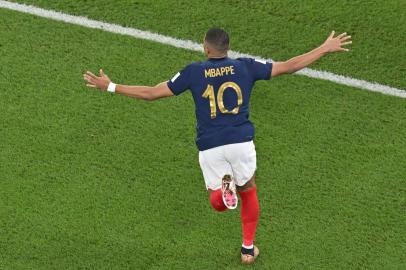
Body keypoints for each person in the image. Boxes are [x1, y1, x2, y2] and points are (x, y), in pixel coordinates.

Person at [83, 28, 351, 265]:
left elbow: (152, 93)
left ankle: (221, 195)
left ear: (205, 48)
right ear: (227, 48)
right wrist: (324, 48)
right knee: (248, 189)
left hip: (211, 147)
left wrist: (110, 86)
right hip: (241, 143)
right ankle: (248, 250)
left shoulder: (193, 72)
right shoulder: (246, 66)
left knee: (219, 202)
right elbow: (288, 66)